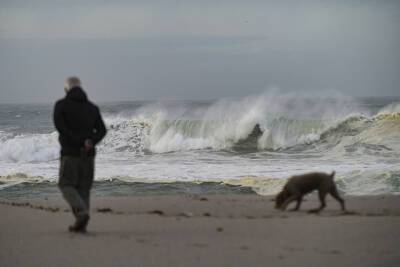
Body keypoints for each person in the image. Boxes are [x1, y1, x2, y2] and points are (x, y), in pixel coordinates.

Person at [53, 76, 107, 233]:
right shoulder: (92, 107)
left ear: (66, 89)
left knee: (65, 184)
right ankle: (81, 224)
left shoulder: (61, 105)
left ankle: (81, 213)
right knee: (84, 188)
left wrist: (77, 141)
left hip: (70, 154)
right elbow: (102, 130)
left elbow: (60, 127)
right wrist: (90, 141)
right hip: (88, 155)